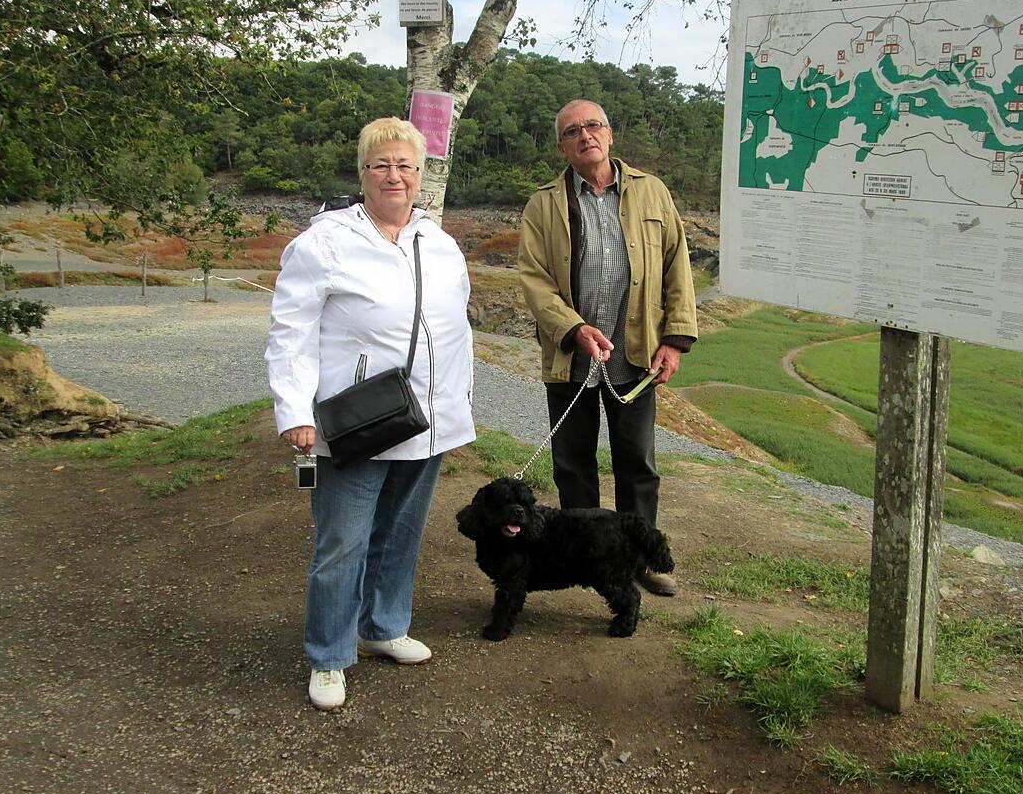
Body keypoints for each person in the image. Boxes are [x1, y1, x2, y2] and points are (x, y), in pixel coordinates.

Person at [265, 117, 475, 711]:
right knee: (343, 540)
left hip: (425, 419)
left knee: (401, 533)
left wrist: (456, 407)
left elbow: (455, 328)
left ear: (421, 174)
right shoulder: (324, 243)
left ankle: (382, 627)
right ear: (363, 173)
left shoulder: (439, 243)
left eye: (406, 165)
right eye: (381, 165)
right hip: (356, 420)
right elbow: (291, 332)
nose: (395, 176)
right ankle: (329, 655)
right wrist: (295, 410)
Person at [517, 99, 698, 597]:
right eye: (572, 131)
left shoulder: (652, 192)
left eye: (593, 126)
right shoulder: (542, 204)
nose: (585, 136)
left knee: (636, 461)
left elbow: (676, 268)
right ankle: (582, 558)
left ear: (611, 134)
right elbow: (534, 281)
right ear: (562, 146)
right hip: (572, 356)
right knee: (572, 463)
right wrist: (574, 328)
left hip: (635, 357)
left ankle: (640, 560)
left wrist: (676, 340)